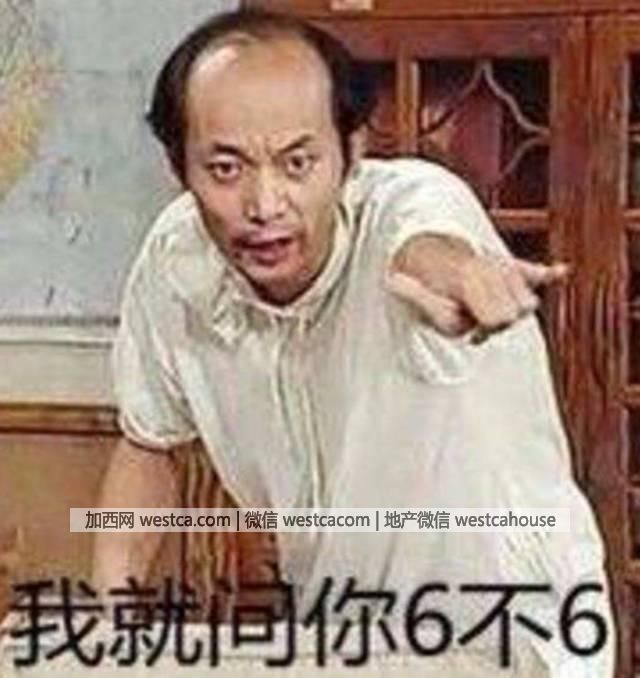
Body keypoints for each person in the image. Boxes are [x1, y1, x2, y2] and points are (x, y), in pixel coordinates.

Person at [93, 8, 615, 676]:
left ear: (352, 151)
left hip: (510, 633)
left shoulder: (413, 206)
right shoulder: (176, 261)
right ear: (179, 167)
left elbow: (425, 245)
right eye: (225, 169)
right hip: (342, 633)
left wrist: (459, 275)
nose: (265, 204)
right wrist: (107, 627)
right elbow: (149, 442)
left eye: (298, 163)